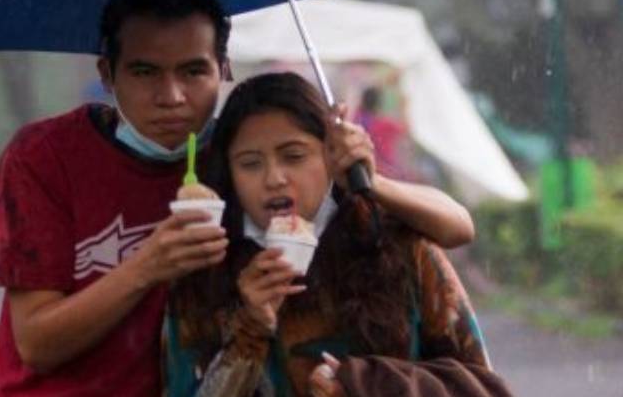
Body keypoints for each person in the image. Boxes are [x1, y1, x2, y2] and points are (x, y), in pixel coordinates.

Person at [0, 0, 473, 396]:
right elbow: (36, 345)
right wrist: (149, 267)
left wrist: (363, 172)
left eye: (193, 71)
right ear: (108, 74)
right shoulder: (44, 158)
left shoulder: (238, 157)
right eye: (145, 72)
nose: (171, 97)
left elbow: (453, 228)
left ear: (225, 69)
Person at [164, 72, 493, 397]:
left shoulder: (395, 247)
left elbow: (475, 380)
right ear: (230, 173)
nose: (274, 178)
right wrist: (249, 330)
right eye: (250, 163)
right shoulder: (204, 274)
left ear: (331, 155)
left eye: (294, 156)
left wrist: (367, 382)